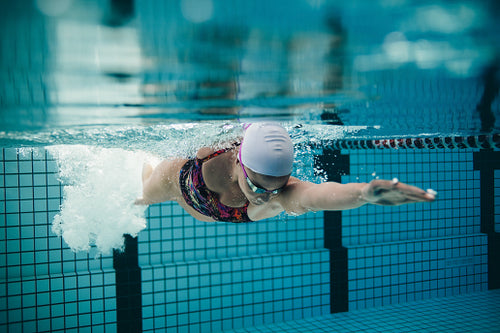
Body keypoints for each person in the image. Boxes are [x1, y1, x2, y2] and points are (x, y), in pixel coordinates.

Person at [135, 123, 435, 222]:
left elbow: (315, 196)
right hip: (174, 180)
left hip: (204, 210)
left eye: (275, 188)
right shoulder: (215, 148)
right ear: (239, 161)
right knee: (140, 198)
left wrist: (363, 194)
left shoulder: (280, 193)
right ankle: (139, 162)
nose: (266, 196)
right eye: (259, 186)